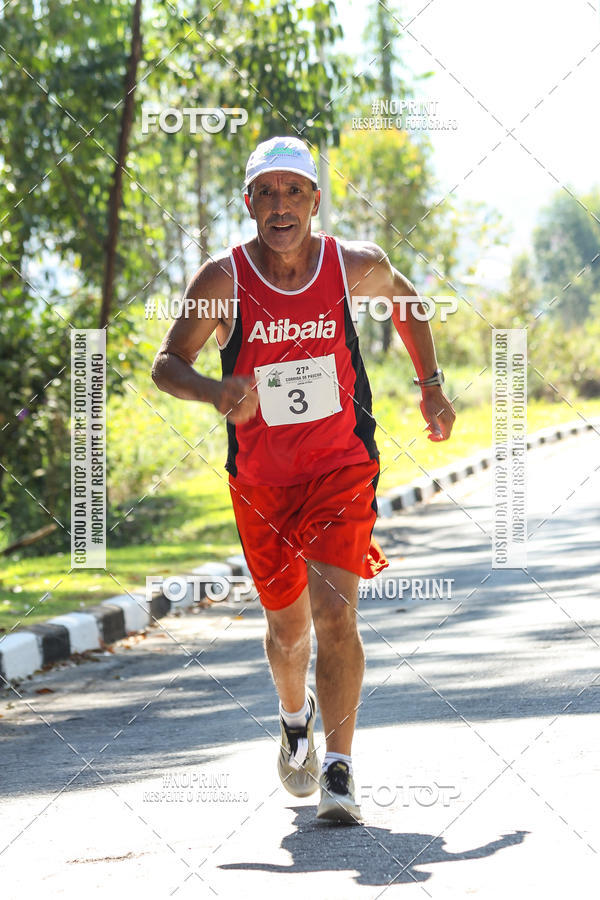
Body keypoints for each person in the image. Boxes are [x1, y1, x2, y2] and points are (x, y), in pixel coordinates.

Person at [152, 135, 456, 825]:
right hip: (261, 480)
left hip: (340, 467)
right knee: (287, 632)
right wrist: (212, 390)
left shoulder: (353, 265)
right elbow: (166, 362)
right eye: (267, 192)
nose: (281, 205)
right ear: (250, 203)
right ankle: (295, 720)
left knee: (334, 615)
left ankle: (342, 769)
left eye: (295, 191)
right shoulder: (222, 280)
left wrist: (431, 387)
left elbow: (408, 303)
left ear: (315, 201)